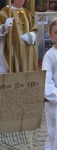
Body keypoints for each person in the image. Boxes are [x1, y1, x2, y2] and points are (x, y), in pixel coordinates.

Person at [42, 17, 57, 150]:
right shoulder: (50, 55)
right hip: (55, 103)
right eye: (56, 32)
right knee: (54, 134)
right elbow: (47, 81)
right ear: (50, 35)